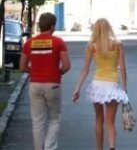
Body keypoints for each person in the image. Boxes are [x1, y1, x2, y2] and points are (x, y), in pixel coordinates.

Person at [72, 18, 128, 150]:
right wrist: (125, 88)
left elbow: (85, 69)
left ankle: (99, 148)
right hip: (112, 84)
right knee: (110, 123)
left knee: (99, 119)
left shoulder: (92, 46)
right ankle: (112, 146)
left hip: (97, 85)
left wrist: (77, 88)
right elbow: (123, 68)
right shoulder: (117, 44)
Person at [19, 12, 71, 150]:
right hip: (53, 84)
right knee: (54, 118)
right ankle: (49, 146)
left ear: (40, 26)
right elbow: (66, 66)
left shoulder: (29, 43)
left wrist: (34, 72)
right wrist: (56, 73)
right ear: (52, 26)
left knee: (37, 121)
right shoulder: (58, 42)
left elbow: (22, 67)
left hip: (35, 84)